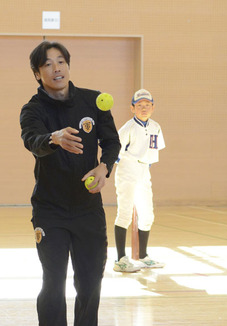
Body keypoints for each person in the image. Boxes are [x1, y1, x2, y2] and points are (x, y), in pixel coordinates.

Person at [20, 41, 121, 326]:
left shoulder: (94, 101)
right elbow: (33, 142)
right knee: (53, 285)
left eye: (61, 61)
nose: (56, 68)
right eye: (48, 64)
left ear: (68, 65)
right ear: (38, 74)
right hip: (50, 211)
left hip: (88, 209)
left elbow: (112, 142)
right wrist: (54, 138)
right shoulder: (32, 110)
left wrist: (105, 167)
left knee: (90, 284)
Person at [113, 89, 166, 272]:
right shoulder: (128, 128)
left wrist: (144, 169)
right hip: (128, 169)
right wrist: (127, 169)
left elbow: (154, 151)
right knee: (125, 213)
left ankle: (143, 256)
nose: (144, 108)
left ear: (153, 107)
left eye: (147, 105)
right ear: (132, 108)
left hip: (144, 170)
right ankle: (120, 260)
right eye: (139, 105)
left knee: (147, 214)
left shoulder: (156, 127)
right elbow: (116, 153)